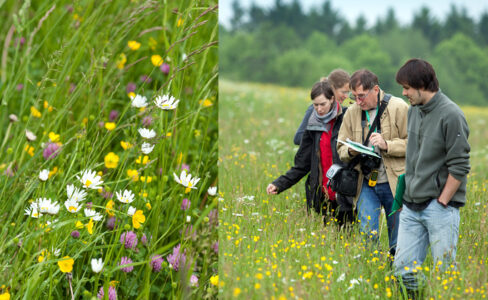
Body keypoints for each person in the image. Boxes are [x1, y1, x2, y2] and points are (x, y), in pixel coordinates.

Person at [393, 58, 470, 296]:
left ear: (421, 84)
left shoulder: (451, 114)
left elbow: (460, 165)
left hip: (440, 208)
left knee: (444, 274)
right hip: (411, 206)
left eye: (406, 87)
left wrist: (443, 201)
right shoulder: (414, 111)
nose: (404, 93)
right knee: (403, 269)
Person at [337, 69, 408, 257]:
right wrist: (350, 150)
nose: (358, 101)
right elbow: (340, 148)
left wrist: (387, 145)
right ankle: (371, 271)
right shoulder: (352, 112)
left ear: (375, 89)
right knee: (368, 234)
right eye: (354, 97)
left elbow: (414, 144)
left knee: (398, 239)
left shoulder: (399, 107)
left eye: (361, 96)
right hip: (365, 183)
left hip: (394, 183)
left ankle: (396, 276)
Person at [267, 80, 354, 225]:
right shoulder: (312, 125)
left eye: (323, 104)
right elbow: (302, 165)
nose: (319, 109)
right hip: (321, 195)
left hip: (346, 194)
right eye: (315, 105)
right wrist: (279, 184)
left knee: (347, 239)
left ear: (332, 99)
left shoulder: (347, 117)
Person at [294, 69, 350, 145]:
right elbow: (298, 138)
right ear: (332, 88)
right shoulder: (314, 110)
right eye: (343, 92)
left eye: (348, 92)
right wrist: (323, 140)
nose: (346, 96)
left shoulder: (344, 111)